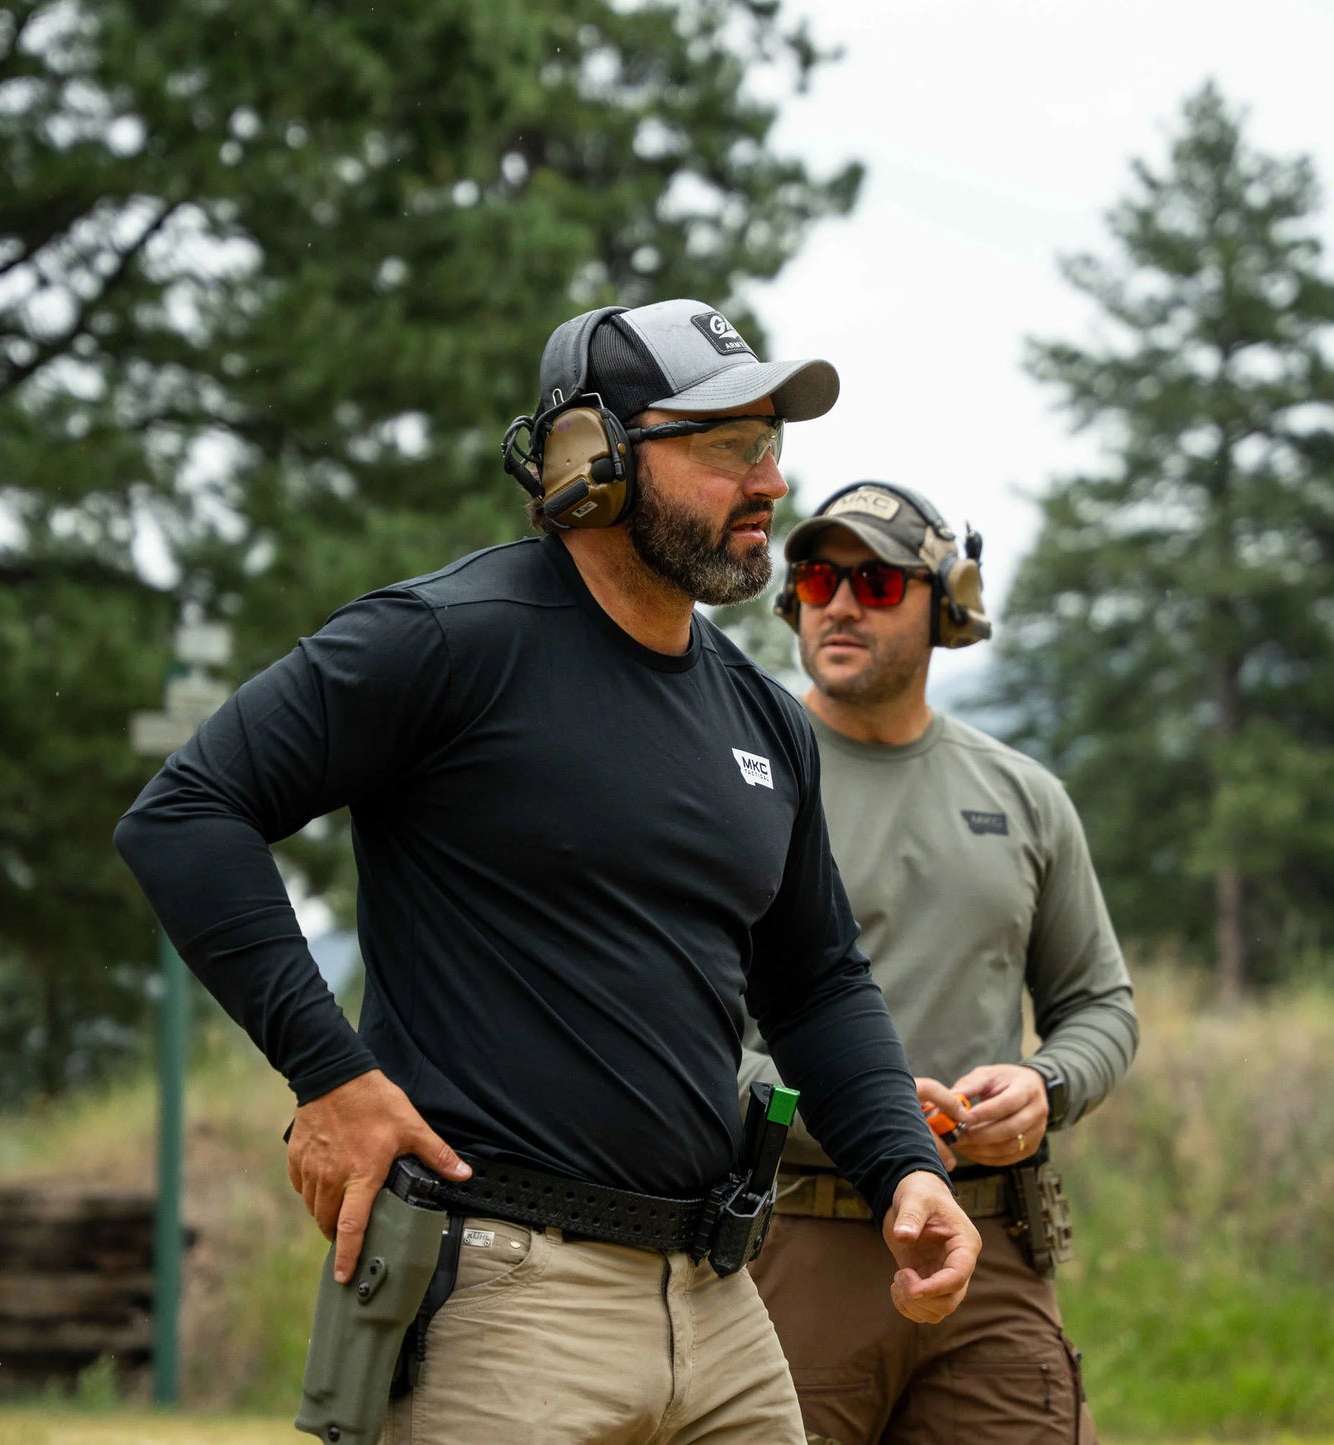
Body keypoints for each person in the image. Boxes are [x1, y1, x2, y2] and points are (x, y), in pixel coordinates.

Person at [115, 304, 981, 1445]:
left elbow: (815, 978)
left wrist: (903, 1168)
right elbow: (186, 813)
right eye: (726, 445)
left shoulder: (763, 720)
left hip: (719, 1302)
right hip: (501, 1293)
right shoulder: (443, 640)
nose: (768, 479)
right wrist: (328, 1073)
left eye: (770, 442)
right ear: (592, 460)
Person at [740, 480, 1140, 1445]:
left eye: (875, 582)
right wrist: (844, 1112)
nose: (836, 602)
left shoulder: (1025, 795)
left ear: (948, 602)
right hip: (786, 1244)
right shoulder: (736, 779)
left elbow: (1101, 1004)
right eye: (816, 577)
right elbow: (678, 1036)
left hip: (990, 1252)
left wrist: (1047, 1084)